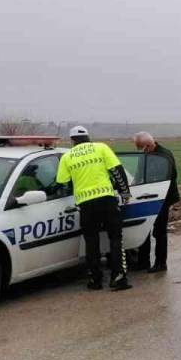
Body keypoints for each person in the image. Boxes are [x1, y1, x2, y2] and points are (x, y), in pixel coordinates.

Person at [56, 125, 133, 291]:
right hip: (106, 200)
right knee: (115, 238)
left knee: (91, 242)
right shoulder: (101, 147)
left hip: (85, 204)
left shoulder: (67, 157)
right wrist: (125, 193)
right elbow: (117, 171)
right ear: (88, 137)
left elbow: (62, 183)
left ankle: (95, 280)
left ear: (72, 140)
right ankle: (118, 278)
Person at [132, 131, 179, 273]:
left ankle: (160, 263)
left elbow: (171, 175)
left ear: (148, 145)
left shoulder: (164, 155)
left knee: (160, 231)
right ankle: (143, 261)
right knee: (144, 229)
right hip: (145, 197)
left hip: (162, 198)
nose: (141, 151)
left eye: (141, 148)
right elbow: (139, 174)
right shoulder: (145, 156)